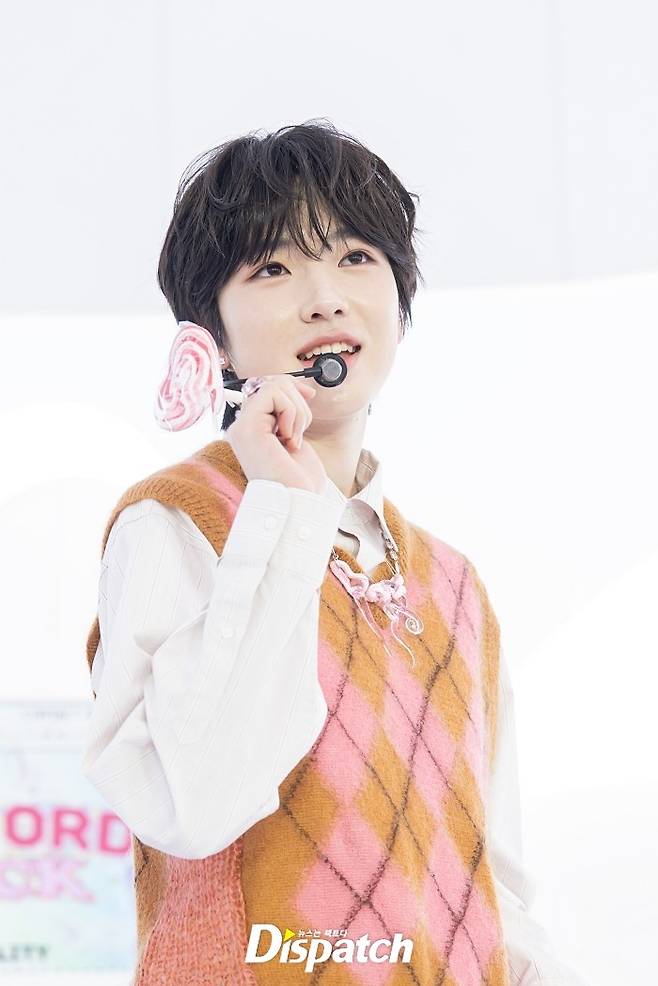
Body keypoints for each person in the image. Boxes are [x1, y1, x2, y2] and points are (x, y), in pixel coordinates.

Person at [82, 120, 589, 984]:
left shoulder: (453, 583)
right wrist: (281, 508)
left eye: (356, 257)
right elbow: (194, 801)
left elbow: (494, 884)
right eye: (272, 269)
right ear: (209, 335)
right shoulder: (173, 523)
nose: (324, 298)